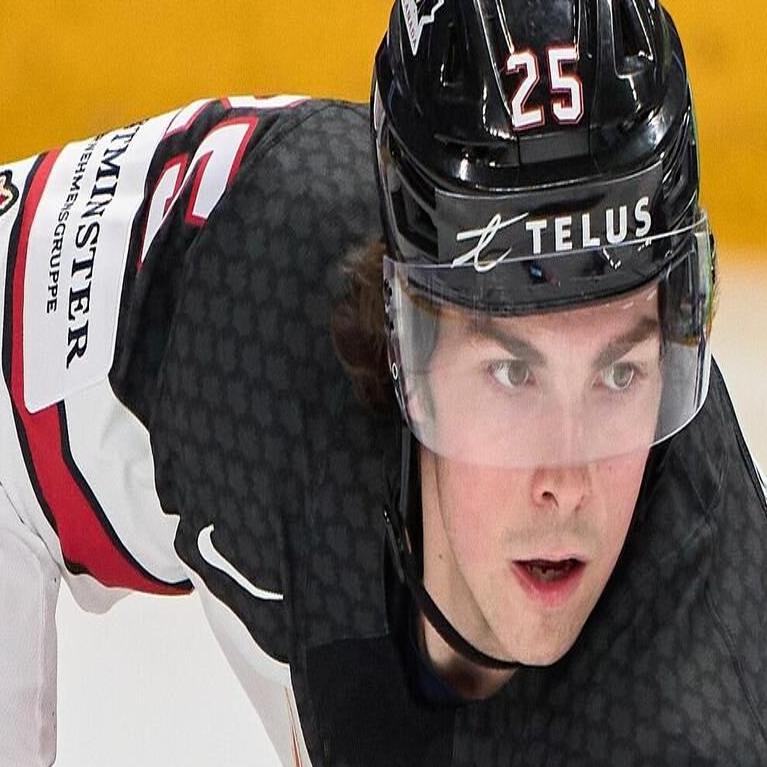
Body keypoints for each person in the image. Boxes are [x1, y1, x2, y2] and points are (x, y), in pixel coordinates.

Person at [1, 0, 765, 765]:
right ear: (405, 349)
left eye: (618, 370)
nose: (566, 481)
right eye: (511, 370)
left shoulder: (706, 692)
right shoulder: (258, 350)